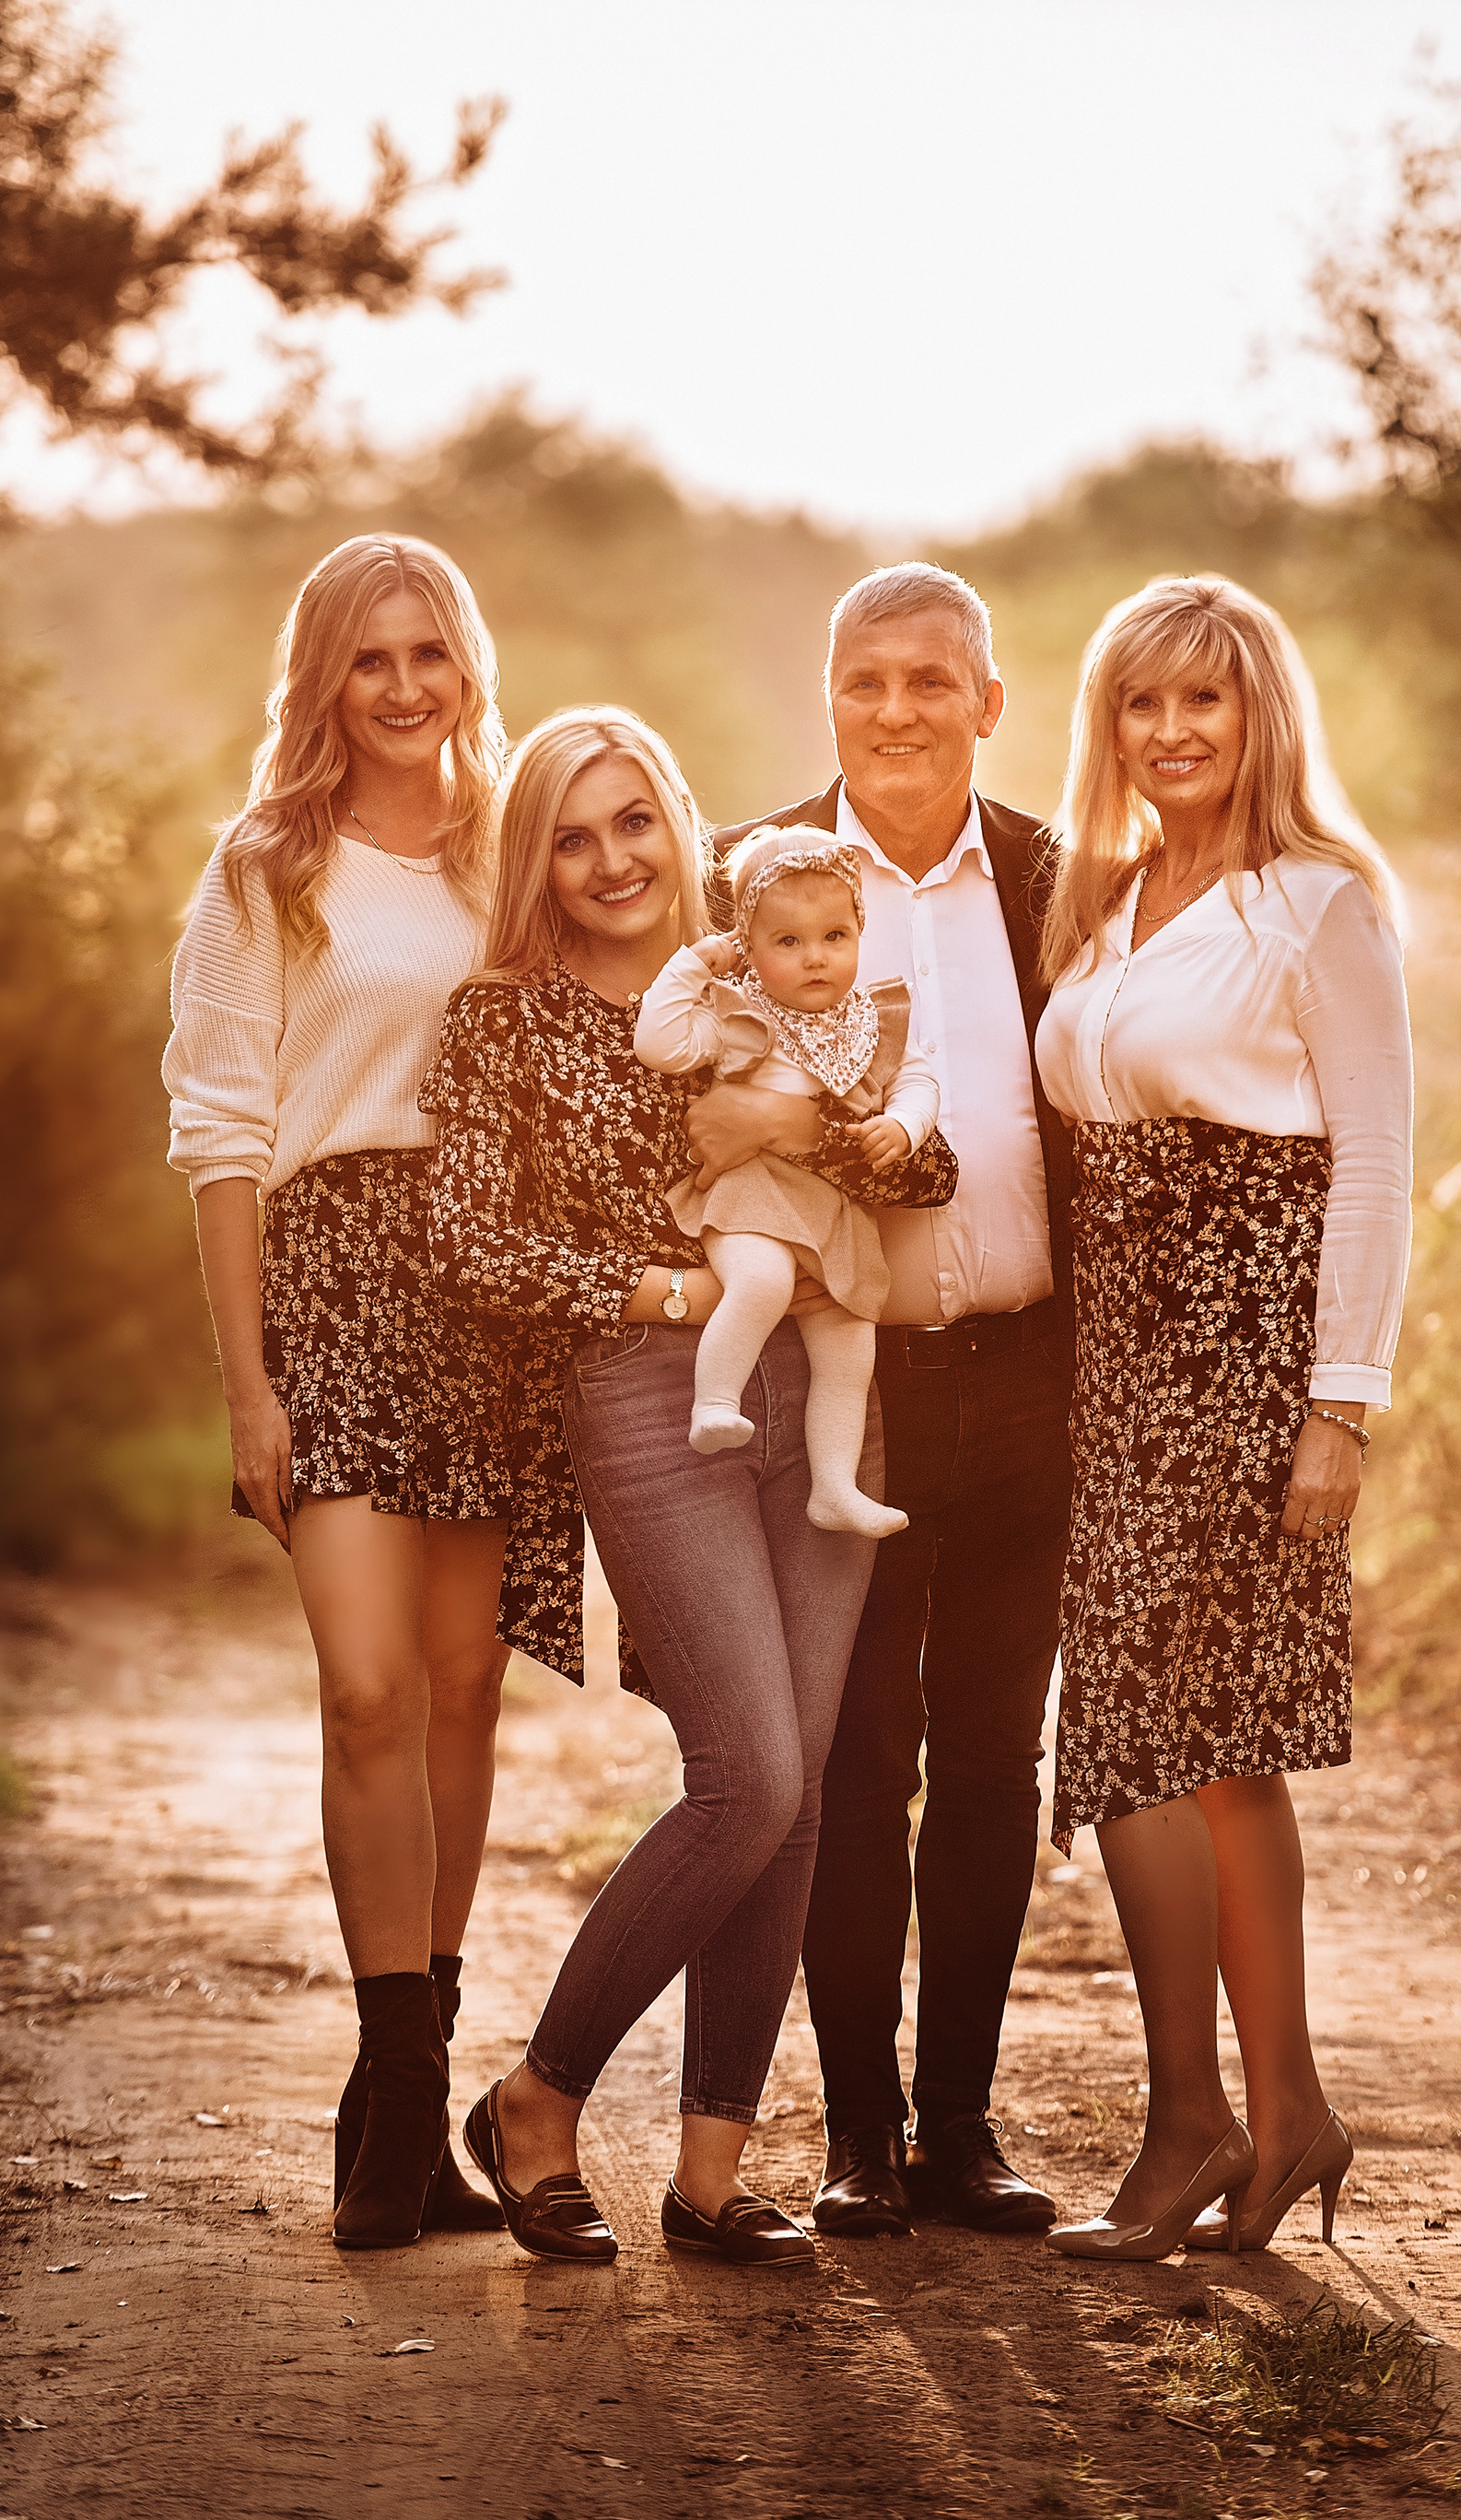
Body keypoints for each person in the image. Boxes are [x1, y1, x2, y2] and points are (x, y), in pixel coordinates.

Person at [419, 706, 959, 2268]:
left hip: (827, 1384)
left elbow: (927, 1167)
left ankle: (710, 2172)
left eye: (634, 822)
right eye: (571, 837)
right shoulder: (504, 1022)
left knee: (798, 1789)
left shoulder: (790, 959)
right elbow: (471, 1243)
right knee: (751, 1777)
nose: (609, 861)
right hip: (658, 1397)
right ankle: (536, 2099)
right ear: (535, 861)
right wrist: (670, 1293)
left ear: (681, 824)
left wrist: (806, 1121)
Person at [1034, 573, 1412, 2263]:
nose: (1173, 731)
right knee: (1220, 1751)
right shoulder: (1102, 900)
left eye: (1208, 699)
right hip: (1119, 1362)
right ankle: (1292, 2112)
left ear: (1263, 714)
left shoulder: (1317, 904)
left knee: (1136, 1741)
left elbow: (1376, 1164)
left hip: (1250, 1359)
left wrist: (1342, 1406)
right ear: (1107, 722)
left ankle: (1192, 2120)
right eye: (1143, 701)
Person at [701, 563, 1073, 2239]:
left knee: (994, 1758)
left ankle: (962, 2127)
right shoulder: (757, 876)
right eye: (868, 680)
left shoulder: (1066, 878)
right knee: (856, 1762)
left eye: (934, 680)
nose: (899, 710)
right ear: (830, 699)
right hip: (838, 1385)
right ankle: (859, 2128)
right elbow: (674, 1104)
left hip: (1033, 1373)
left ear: (989, 702)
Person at [162, 533, 515, 2251]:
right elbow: (221, 1136)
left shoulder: (513, 845)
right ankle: (394, 2099)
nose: (402, 686)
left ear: (466, 666)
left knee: (463, 1692)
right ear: (323, 677)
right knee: (369, 1691)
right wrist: (251, 1390)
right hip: (334, 1286)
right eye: (369, 657)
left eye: (427, 652)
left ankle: (411, 2109)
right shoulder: (266, 869)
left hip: (494, 1300)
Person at [634, 824, 940, 1535]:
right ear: (748, 944)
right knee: (763, 1282)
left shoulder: (873, 1021)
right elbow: (659, 1043)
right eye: (788, 941)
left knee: (850, 1339)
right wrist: (696, 965)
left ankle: (834, 1487)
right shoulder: (737, 1015)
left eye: (835, 936)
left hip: (831, 1210)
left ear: (859, 932)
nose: (815, 958)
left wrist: (905, 1126)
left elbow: (918, 1080)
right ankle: (716, 1401)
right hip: (750, 1195)